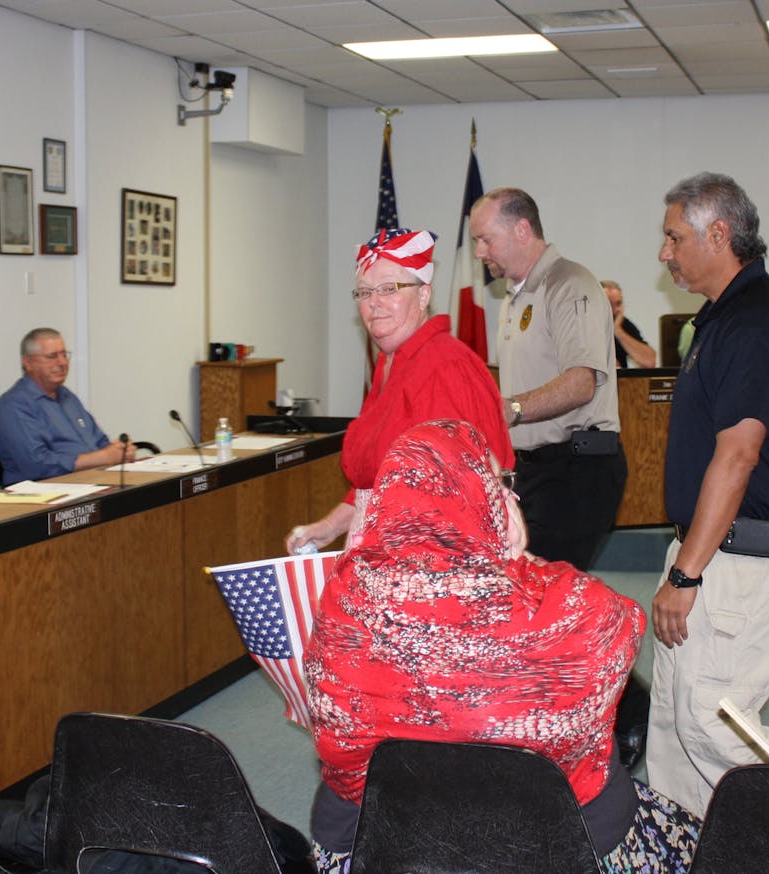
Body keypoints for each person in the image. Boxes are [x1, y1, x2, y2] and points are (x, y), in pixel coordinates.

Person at [304, 420, 699, 874]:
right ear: (480, 496)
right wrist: (524, 564)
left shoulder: (343, 599)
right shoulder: (569, 613)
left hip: (377, 850)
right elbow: (626, 622)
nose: (513, 496)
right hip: (560, 851)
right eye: (500, 484)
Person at [647, 172, 769, 816]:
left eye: (673, 237)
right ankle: (690, 849)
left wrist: (687, 574)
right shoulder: (722, 315)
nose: (663, 253)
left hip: (737, 561)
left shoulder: (756, 320)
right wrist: (686, 560)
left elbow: (739, 454)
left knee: (712, 720)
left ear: (718, 235)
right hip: (709, 550)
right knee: (671, 727)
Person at [284, 228, 513, 553]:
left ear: (423, 295)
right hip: (388, 558)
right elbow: (381, 481)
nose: (374, 303)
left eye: (389, 289)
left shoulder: (443, 366)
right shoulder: (391, 363)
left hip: (425, 567)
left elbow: (458, 498)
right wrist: (330, 527)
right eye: (364, 292)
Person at [469, 187, 626, 571]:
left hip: (575, 470)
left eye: (485, 240)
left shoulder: (570, 285)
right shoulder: (514, 297)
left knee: (544, 593)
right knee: (531, 591)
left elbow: (581, 382)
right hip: (534, 472)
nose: (478, 252)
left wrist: (511, 410)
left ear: (522, 230)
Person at [0, 327, 133, 484]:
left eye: (64, 355)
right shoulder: (14, 405)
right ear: (28, 363)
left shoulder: (67, 397)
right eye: (52, 356)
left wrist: (119, 450)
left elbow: (100, 442)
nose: (62, 363)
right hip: (45, 495)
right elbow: (37, 465)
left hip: (91, 483)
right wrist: (101, 458)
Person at [602, 280, 658, 368]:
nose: (614, 310)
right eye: (608, 304)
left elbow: (649, 361)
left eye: (618, 304)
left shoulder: (622, 324)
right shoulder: (582, 326)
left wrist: (617, 330)